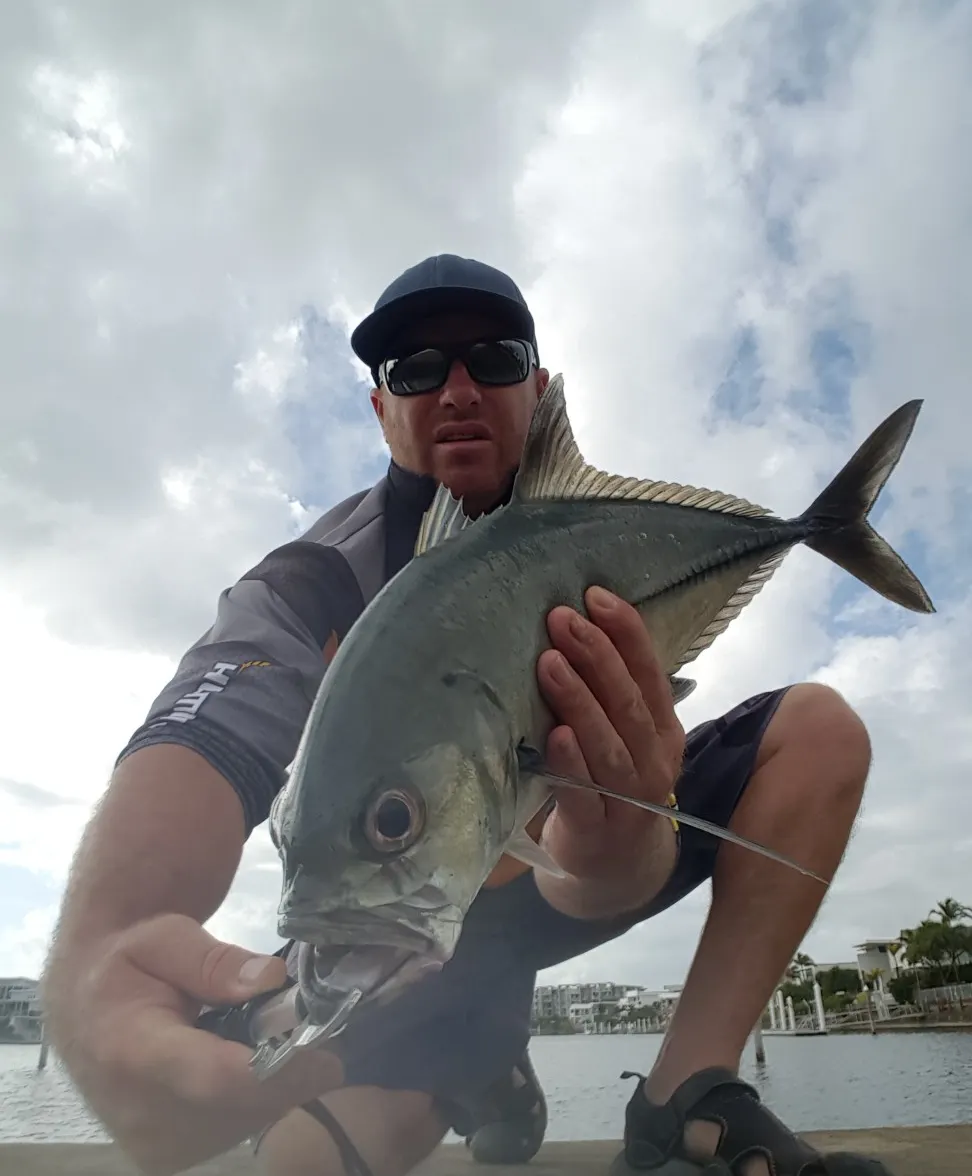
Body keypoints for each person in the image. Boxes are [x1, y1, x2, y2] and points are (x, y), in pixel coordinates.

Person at [40, 254, 894, 1176]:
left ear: (538, 388)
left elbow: (601, 868)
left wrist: (619, 842)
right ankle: (481, 1063)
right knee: (300, 1164)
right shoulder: (318, 579)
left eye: (489, 358)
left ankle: (687, 1087)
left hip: (578, 850)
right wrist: (104, 943)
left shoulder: (591, 520)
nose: (454, 388)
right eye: (413, 368)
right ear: (378, 407)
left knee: (818, 730)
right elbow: (207, 725)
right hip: (419, 927)